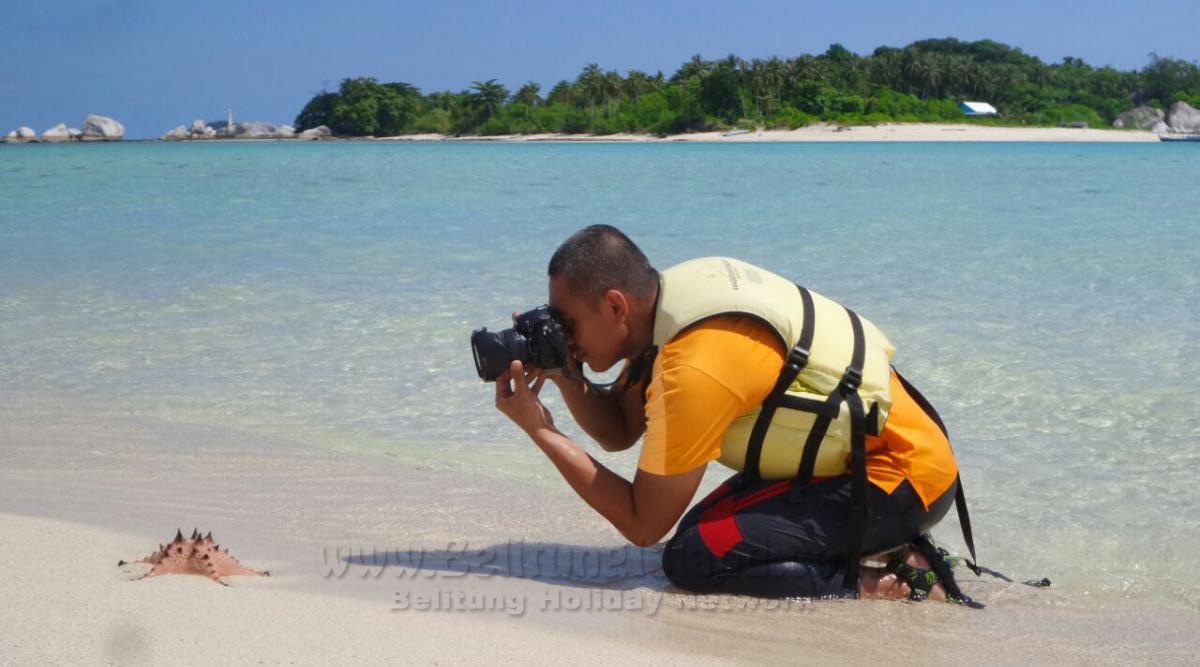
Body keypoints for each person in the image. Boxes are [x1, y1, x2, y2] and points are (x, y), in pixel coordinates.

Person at [492, 224, 977, 602]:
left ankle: (877, 585)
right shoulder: (669, 307)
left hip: (900, 481)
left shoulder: (695, 366)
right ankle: (890, 550)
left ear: (616, 305)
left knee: (692, 558)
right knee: (703, 532)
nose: (562, 332)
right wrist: (564, 369)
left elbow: (643, 525)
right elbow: (619, 430)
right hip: (886, 461)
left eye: (567, 322)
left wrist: (541, 430)